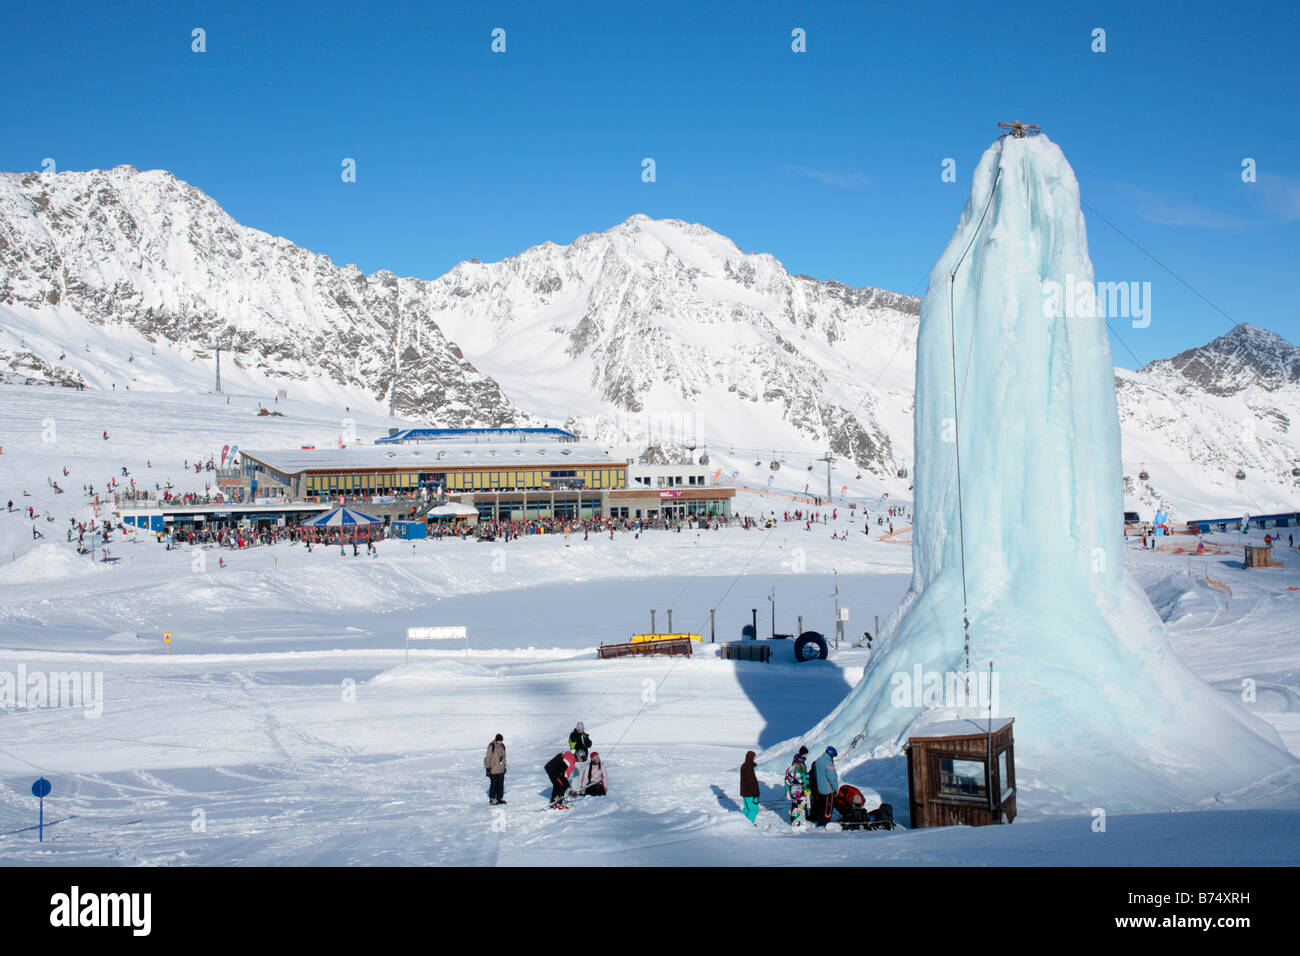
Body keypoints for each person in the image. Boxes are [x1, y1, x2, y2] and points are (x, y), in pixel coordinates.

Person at [809, 746, 839, 827]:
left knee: (822, 806)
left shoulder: (818, 761)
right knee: (828, 809)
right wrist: (836, 788)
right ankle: (825, 824)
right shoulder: (828, 763)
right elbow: (832, 778)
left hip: (820, 789)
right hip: (828, 790)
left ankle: (820, 821)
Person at [785, 750, 810, 828]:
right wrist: (807, 791)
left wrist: (788, 790)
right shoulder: (802, 769)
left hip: (793, 791)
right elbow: (806, 781)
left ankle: (795, 820)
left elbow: (786, 781)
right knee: (801, 805)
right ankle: (800, 820)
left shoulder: (789, 769)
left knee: (795, 805)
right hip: (801, 791)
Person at [484, 733, 507, 805]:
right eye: (500, 740)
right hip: (493, 769)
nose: (501, 742)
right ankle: (492, 799)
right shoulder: (492, 746)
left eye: (501, 740)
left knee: (500, 784)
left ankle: (500, 798)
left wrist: (504, 766)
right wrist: (488, 768)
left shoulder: (502, 746)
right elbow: (487, 757)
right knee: (493, 784)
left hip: (501, 769)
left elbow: (504, 757)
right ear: (497, 740)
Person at [739, 751, 761, 825]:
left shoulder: (744, 765)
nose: (755, 758)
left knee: (747, 808)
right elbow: (751, 782)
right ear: (751, 757)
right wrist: (755, 794)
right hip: (749, 793)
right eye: (754, 756)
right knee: (753, 809)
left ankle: (741, 823)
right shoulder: (749, 767)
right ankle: (748, 826)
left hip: (745, 792)